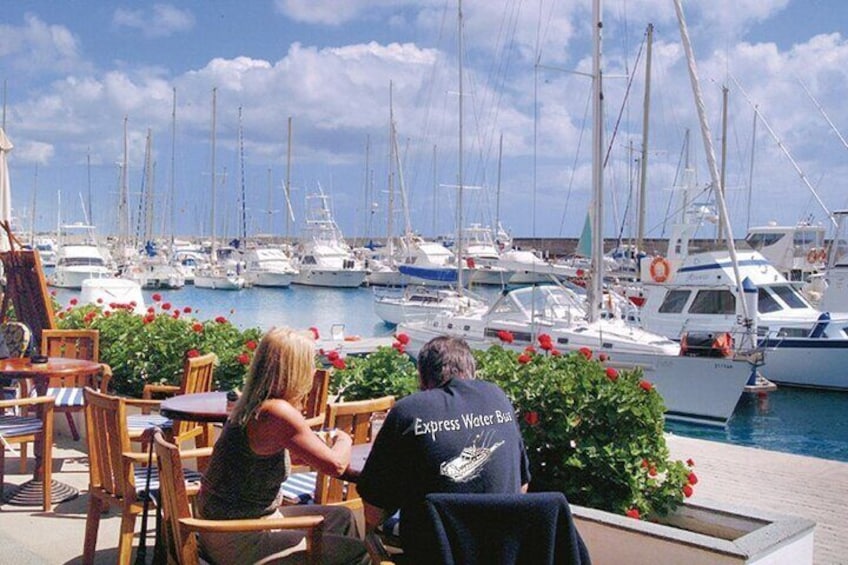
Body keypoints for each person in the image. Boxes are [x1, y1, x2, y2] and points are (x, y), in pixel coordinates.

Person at [195, 327, 368, 565]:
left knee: (343, 518)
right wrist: (344, 439)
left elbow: (280, 457)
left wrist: (308, 447)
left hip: (222, 528)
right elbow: (336, 466)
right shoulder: (278, 412)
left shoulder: (252, 405)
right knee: (356, 551)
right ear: (295, 371)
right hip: (240, 538)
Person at [357, 336, 531, 562]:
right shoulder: (498, 397)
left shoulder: (408, 410)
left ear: (422, 377)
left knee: (370, 536)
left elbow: (374, 512)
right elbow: (522, 486)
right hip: (501, 551)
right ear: (472, 372)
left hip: (433, 554)